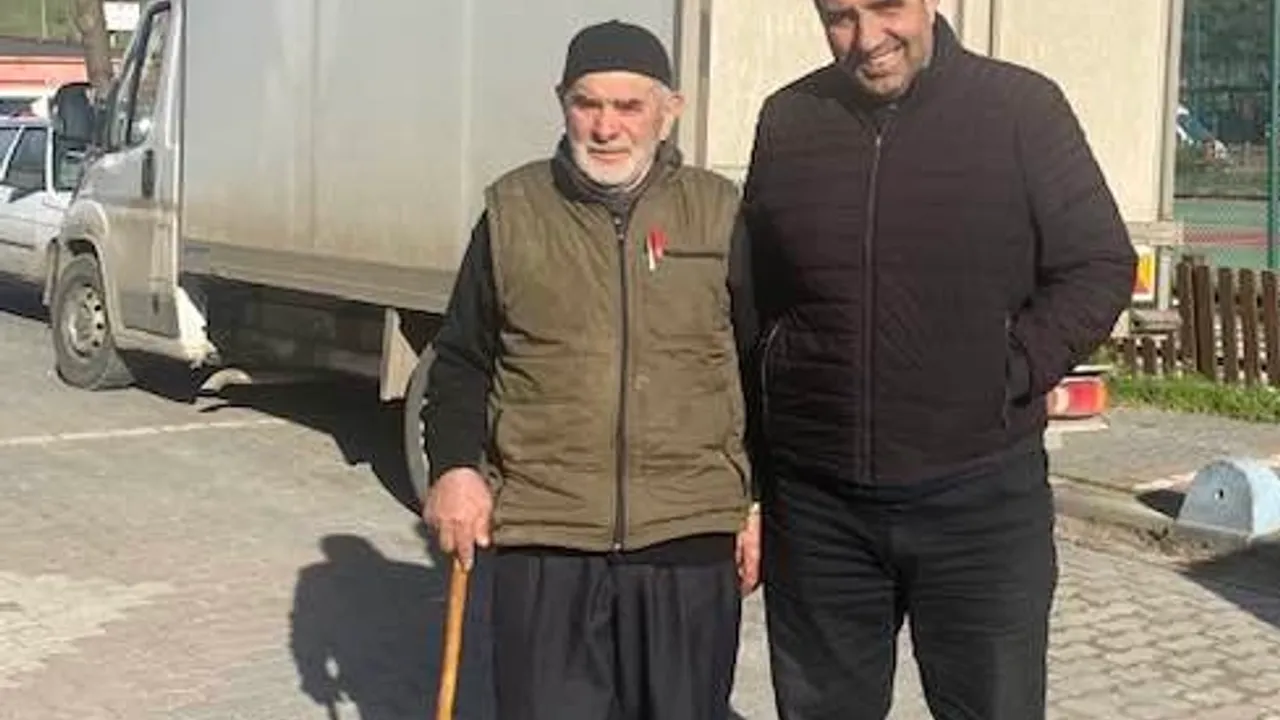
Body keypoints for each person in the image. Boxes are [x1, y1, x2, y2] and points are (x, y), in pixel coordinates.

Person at [741, 2, 1137, 719]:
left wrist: (1010, 371)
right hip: (820, 508)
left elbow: (1099, 264)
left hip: (979, 502)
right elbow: (757, 296)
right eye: (840, 16)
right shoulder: (790, 120)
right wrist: (757, 475)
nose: (867, 39)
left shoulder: (1019, 110)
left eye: (885, 7)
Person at [420, 20, 761, 720]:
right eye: (587, 104)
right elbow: (461, 358)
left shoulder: (717, 213)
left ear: (669, 111)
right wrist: (453, 469)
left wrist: (759, 502)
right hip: (547, 532)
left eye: (628, 106)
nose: (606, 127)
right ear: (562, 102)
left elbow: (761, 365)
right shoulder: (513, 212)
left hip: (688, 532)